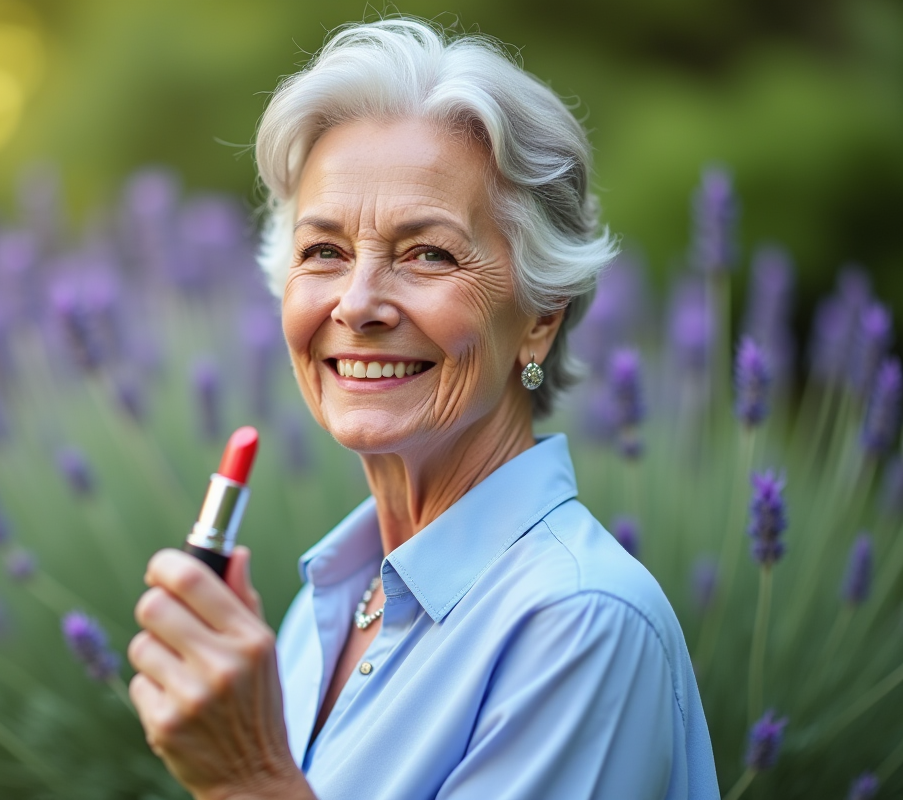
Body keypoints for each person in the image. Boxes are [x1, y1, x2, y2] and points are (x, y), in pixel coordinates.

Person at [127, 18, 720, 800]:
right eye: (324, 252)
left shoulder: (580, 626)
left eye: (428, 253)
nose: (358, 303)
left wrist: (246, 778)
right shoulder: (326, 604)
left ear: (541, 314)